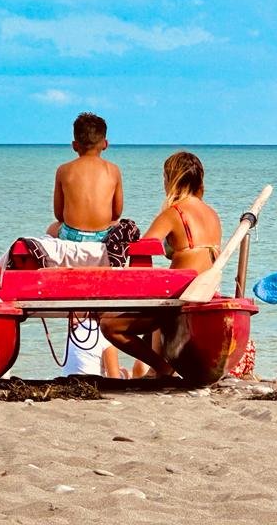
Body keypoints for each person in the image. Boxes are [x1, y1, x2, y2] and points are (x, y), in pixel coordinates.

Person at [101, 151, 222, 377]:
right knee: (150, 316)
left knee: (109, 325)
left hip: (181, 294)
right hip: (207, 290)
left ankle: (163, 368)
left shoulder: (175, 212)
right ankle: (156, 370)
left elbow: (144, 247)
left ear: (170, 180)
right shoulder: (212, 215)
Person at [46, 112, 123, 242]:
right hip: (102, 236)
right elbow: (116, 213)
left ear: (74, 145)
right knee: (117, 224)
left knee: (53, 228)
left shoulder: (63, 170)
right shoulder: (113, 170)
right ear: (105, 144)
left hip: (71, 236)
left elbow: (59, 215)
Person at [60, 315, 128, 379]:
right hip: (90, 385)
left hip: (67, 383)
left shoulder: (76, 329)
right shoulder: (107, 335)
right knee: (125, 372)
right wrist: (124, 374)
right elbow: (114, 379)